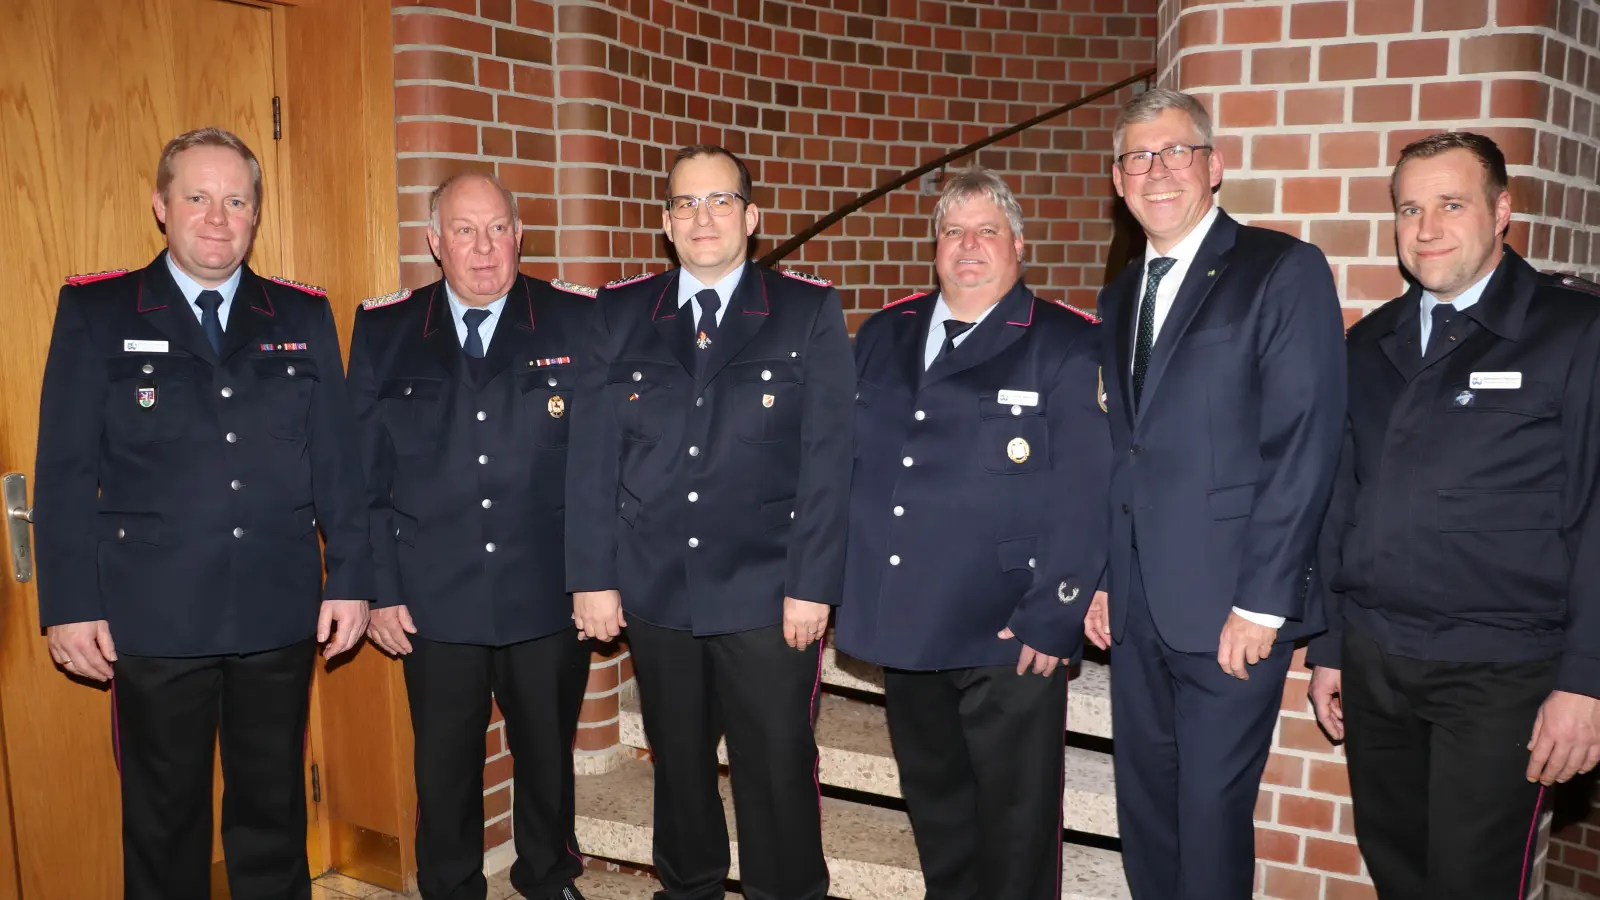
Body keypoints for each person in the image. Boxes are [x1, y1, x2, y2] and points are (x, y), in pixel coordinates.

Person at [32, 127, 372, 900]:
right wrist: (70, 605)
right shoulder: (96, 310)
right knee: (163, 823)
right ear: (161, 206)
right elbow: (64, 473)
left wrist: (350, 578)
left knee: (272, 814)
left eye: (236, 200)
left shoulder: (301, 314)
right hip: (155, 617)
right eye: (197, 197)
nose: (217, 218)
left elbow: (338, 466)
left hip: (276, 611)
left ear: (255, 214)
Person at [1307, 131, 1600, 898]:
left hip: (1501, 671)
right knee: (1397, 868)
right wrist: (1331, 646)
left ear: (1502, 210)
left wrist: (1587, 683)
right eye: (1409, 208)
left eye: (1450, 204)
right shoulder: (1369, 344)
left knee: (1473, 883)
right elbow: (1344, 504)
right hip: (1376, 662)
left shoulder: (1575, 334)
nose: (1426, 228)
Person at [564, 144, 854, 900]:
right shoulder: (621, 314)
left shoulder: (805, 310)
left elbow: (830, 460)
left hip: (767, 592)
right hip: (659, 588)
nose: (703, 217)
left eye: (721, 201)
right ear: (665, 223)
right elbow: (591, 456)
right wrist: (593, 577)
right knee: (679, 760)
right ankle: (687, 887)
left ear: (752, 217)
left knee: (775, 763)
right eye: (687, 204)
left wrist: (813, 584)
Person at [1083, 88, 1347, 899]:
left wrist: (1265, 603)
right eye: (1137, 157)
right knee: (1148, 816)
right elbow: (1120, 450)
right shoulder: (1122, 291)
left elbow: (1306, 442)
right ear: (1119, 180)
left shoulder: (1280, 269)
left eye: (1175, 152)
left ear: (1214, 166)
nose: (1156, 171)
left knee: (1208, 815)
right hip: (1136, 606)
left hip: (1231, 609)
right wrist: (1101, 574)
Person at [833, 167, 1113, 900]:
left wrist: (1055, 617)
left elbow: (1087, 494)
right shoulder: (885, 334)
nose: (969, 246)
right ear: (934, 246)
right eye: (953, 231)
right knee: (938, 809)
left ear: (1018, 244)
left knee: (1017, 828)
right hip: (908, 619)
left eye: (987, 231)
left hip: (1007, 627)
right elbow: (854, 466)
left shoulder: (1065, 343)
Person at [350, 172, 595, 900]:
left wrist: (595, 576)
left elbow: (599, 466)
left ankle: (548, 878)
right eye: (463, 230)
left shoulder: (576, 321)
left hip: (547, 593)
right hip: (433, 598)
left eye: (497, 229)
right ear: (435, 242)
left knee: (547, 756)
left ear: (520, 236)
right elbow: (364, 475)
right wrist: (380, 590)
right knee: (445, 764)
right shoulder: (386, 328)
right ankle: (451, 886)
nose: (483, 248)